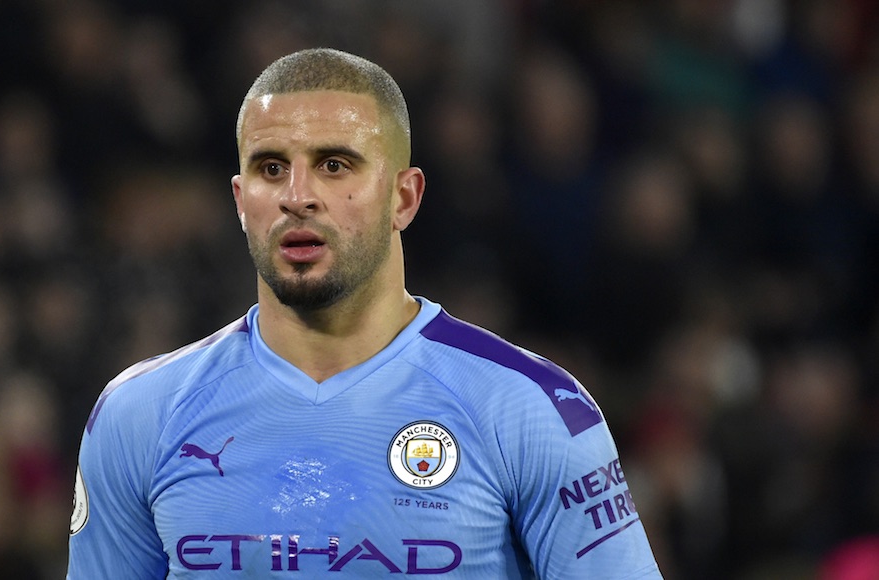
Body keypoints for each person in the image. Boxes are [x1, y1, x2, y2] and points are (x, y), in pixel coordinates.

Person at [67, 47, 662, 578]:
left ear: (404, 197)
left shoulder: (531, 409)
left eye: (334, 165)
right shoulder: (139, 414)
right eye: (271, 168)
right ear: (241, 202)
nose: (297, 196)